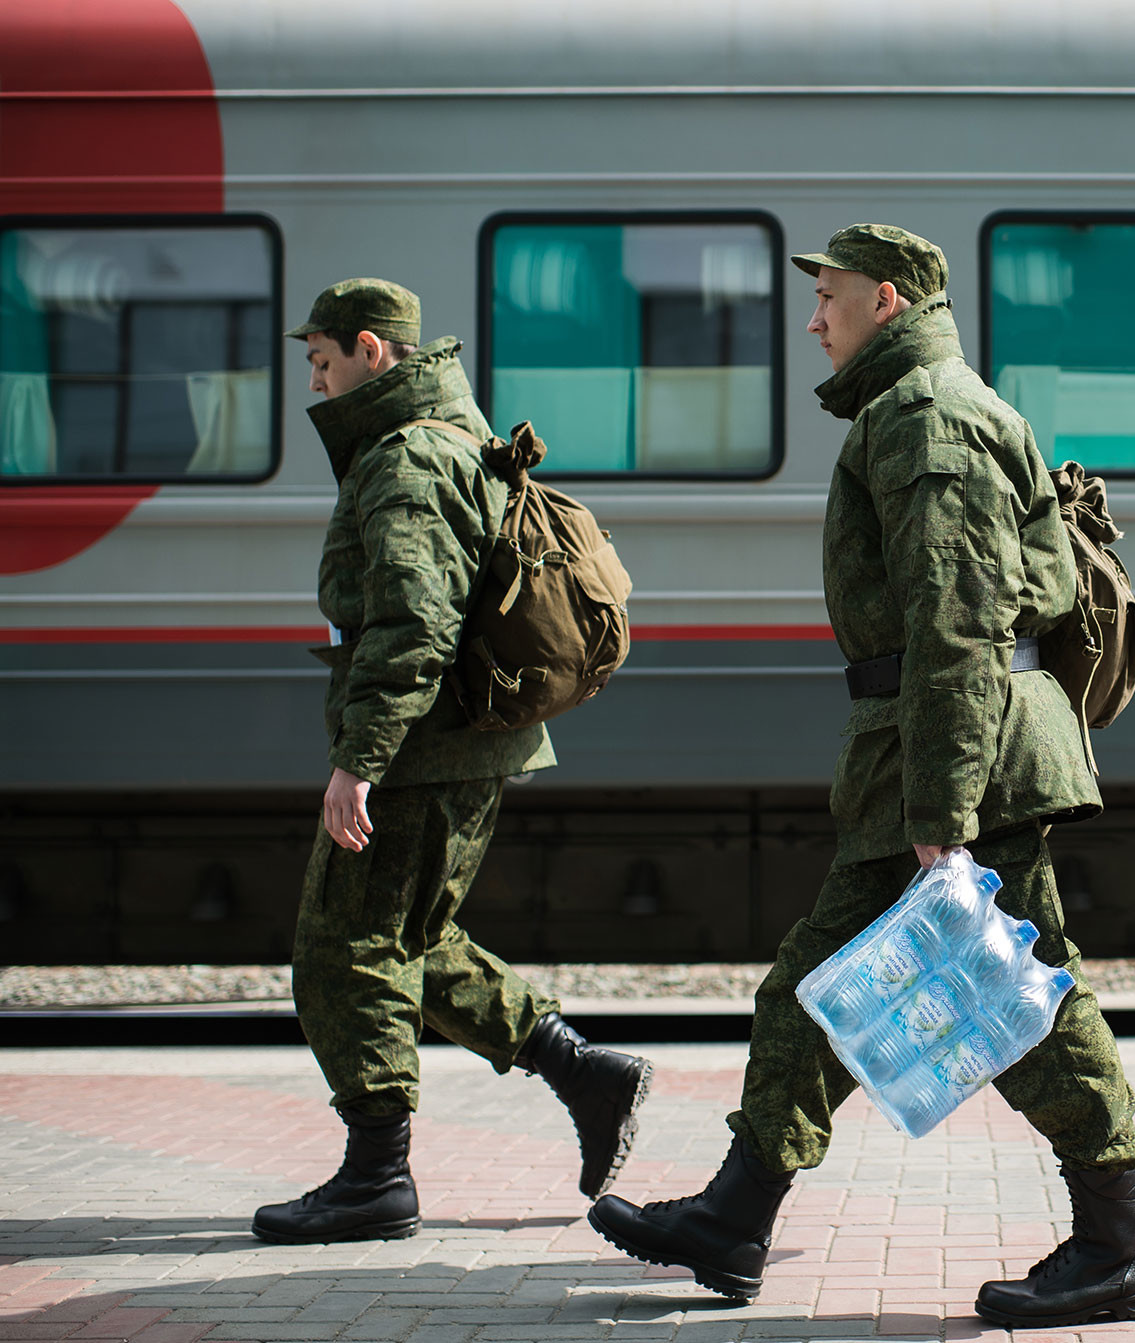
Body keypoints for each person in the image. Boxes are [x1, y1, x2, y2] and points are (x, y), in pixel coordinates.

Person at [587, 226, 1135, 1328]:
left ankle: (1116, 1240)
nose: (816, 319)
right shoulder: (915, 409)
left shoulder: (926, 420)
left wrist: (943, 814)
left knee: (1020, 996)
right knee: (819, 987)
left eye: (833, 299)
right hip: (932, 748)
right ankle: (735, 1214)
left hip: (963, 758)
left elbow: (959, 622)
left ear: (887, 301)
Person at [251, 279, 652, 1245]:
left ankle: (375, 1178)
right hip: (456, 742)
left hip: (425, 750)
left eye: (323, 359)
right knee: (412, 938)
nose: (313, 378)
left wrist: (362, 761)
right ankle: (584, 1072)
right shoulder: (444, 440)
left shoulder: (407, 459)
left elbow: (412, 626)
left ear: (373, 351)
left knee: (344, 946)